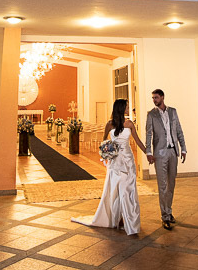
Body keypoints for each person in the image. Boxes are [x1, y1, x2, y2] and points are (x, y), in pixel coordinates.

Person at [71, 99, 147, 236]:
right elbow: (104, 141)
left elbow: (137, 140)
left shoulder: (129, 123)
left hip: (128, 162)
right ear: (121, 108)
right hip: (115, 162)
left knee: (128, 190)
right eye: (127, 107)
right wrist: (107, 151)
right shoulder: (109, 124)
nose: (129, 109)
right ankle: (118, 219)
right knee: (115, 191)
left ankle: (128, 221)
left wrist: (148, 153)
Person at [145, 88, 186, 230]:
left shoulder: (173, 112)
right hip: (159, 154)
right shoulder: (151, 114)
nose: (154, 100)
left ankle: (169, 211)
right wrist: (148, 152)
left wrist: (183, 148)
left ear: (162, 97)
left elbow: (179, 130)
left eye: (156, 97)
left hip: (173, 152)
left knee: (171, 184)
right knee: (162, 186)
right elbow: (149, 134)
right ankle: (165, 216)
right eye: (153, 98)